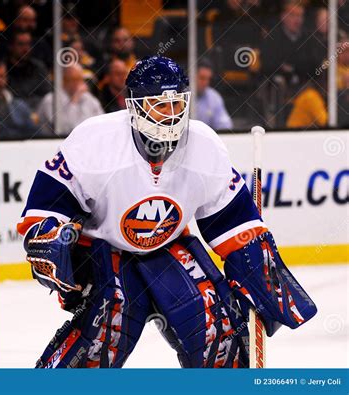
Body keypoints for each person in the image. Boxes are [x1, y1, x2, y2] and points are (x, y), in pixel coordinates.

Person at [17, 56, 317, 368]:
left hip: (167, 249)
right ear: (134, 106)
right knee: (105, 330)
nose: (171, 115)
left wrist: (260, 276)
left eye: (176, 105)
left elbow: (236, 225)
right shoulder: (95, 140)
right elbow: (48, 204)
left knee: (216, 329)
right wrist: (49, 236)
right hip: (102, 252)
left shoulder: (204, 146)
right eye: (159, 104)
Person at [36, 64, 103, 136]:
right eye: (74, 79)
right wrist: (74, 101)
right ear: (63, 80)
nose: (79, 83)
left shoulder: (88, 98)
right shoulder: (51, 100)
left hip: (87, 140)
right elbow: (66, 130)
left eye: (81, 79)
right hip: (53, 143)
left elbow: (102, 123)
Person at [195, 61, 233, 130]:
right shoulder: (178, 95)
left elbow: (225, 127)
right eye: (202, 78)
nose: (206, 82)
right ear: (192, 76)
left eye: (208, 79)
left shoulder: (214, 97)